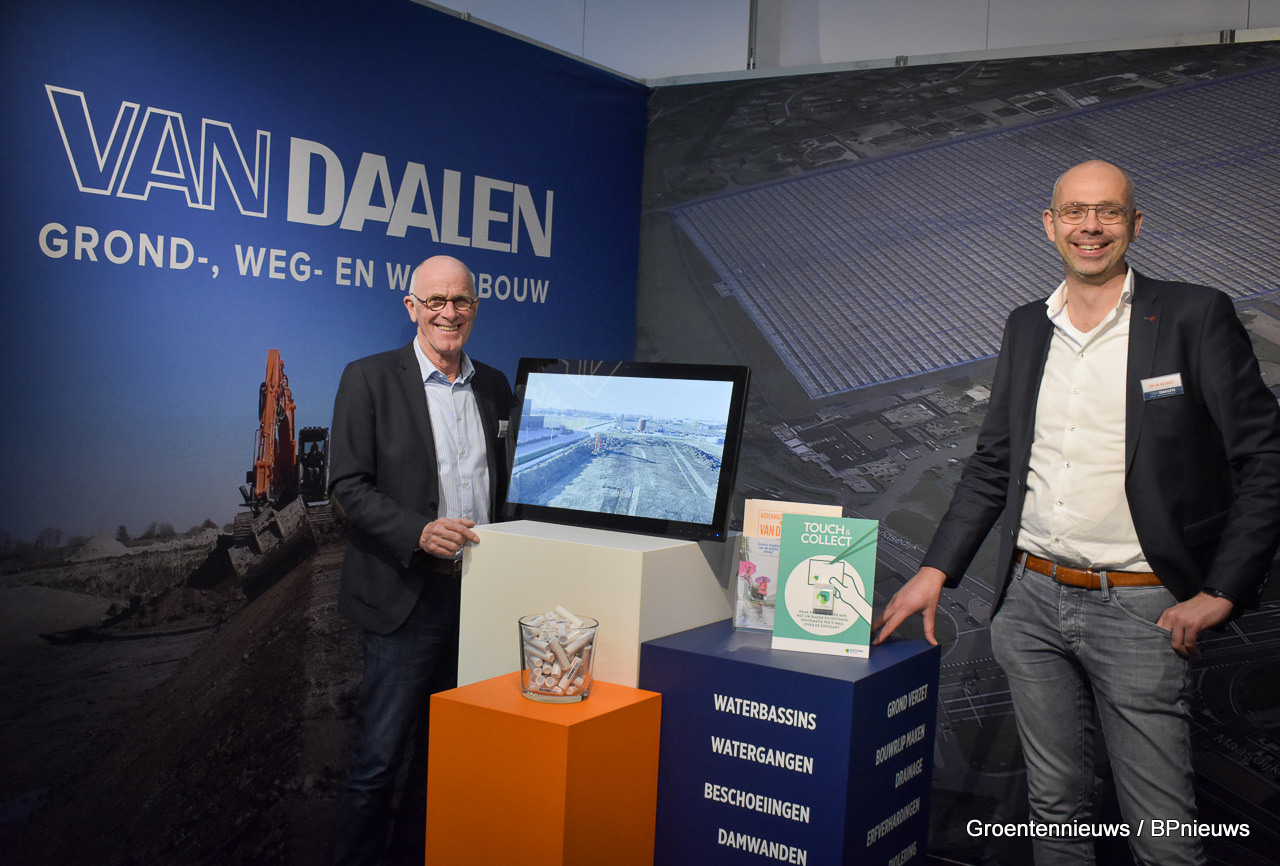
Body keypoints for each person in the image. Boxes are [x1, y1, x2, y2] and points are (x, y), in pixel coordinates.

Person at [872, 160, 1280, 865]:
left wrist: (1223, 591)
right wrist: (935, 569)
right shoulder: (1028, 325)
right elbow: (995, 463)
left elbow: (1266, 457)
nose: (1091, 226)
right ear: (1050, 225)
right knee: (1054, 810)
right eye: (1075, 212)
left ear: (1134, 224)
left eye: (1108, 212)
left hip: (1141, 608)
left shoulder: (1193, 315)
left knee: (1163, 835)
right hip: (1030, 603)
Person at [328, 254, 512, 865]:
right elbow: (347, 486)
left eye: (460, 301)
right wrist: (418, 531)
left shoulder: (494, 386)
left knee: (446, 754)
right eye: (435, 301)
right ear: (412, 308)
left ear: (475, 309)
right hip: (405, 598)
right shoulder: (368, 378)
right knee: (378, 760)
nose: (448, 313)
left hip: (476, 599)